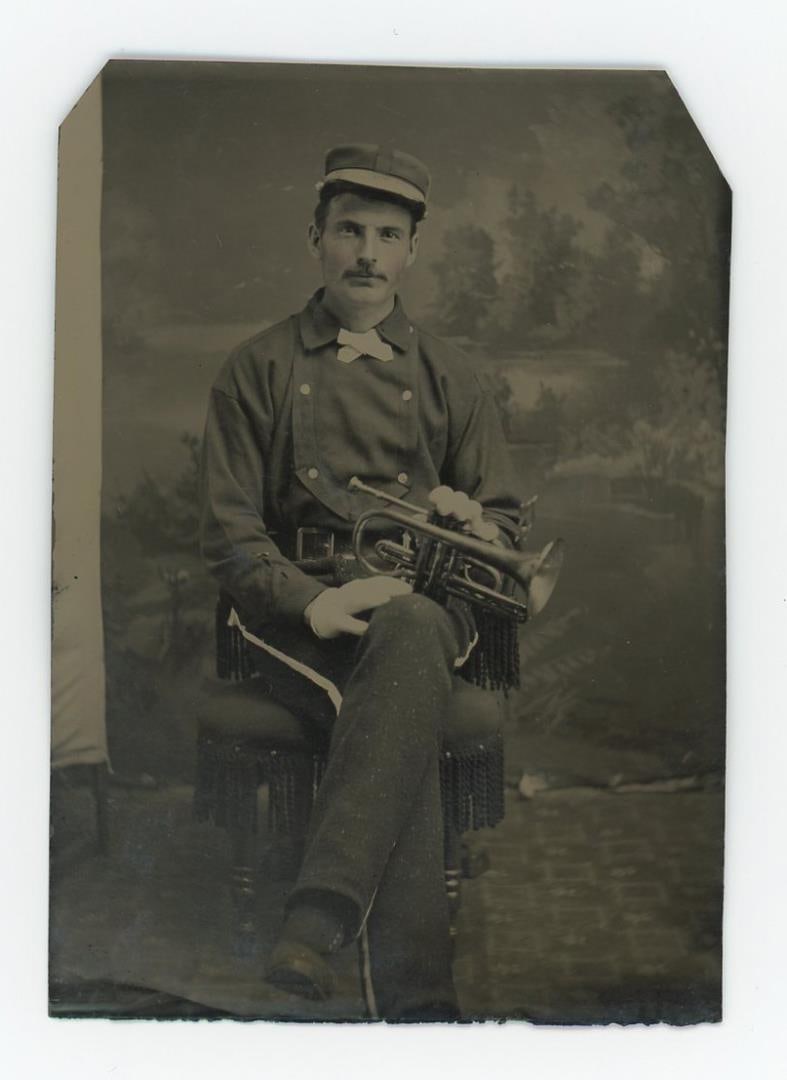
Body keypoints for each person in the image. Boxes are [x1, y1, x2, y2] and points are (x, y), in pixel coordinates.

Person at [199, 144, 522, 1021]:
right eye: (349, 231)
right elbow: (228, 534)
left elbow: (506, 524)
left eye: (388, 234)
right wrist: (313, 600)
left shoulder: (453, 375)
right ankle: (416, 1012)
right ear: (316, 239)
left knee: (413, 628)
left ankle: (319, 914)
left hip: (421, 600)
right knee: (402, 704)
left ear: (412, 251)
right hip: (298, 605)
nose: (367, 254)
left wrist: (476, 527)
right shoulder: (256, 368)